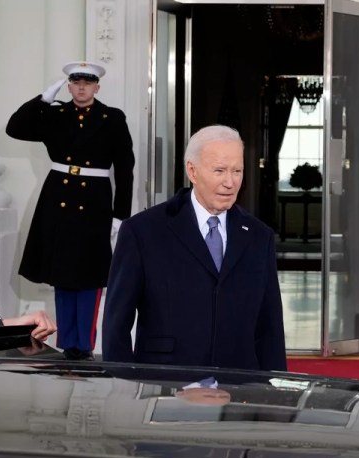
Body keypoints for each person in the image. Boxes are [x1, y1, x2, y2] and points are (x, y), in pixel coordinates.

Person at [102, 125, 286, 371]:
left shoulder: (259, 237)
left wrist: (273, 389)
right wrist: (124, 383)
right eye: (219, 170)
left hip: (239, 382)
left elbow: (270, 327)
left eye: (237, 171)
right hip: (166, 380)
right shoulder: (142, 231)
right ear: (192, 171)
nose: (230, 182)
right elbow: (116, 324)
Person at [5, 61, 135, 361]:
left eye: (87, 83)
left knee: (89, 275)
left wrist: (120, 214)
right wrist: (43, 99)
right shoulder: (55, 114)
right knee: (62, 273)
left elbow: (125, 169)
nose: (81, 87)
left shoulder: (112, 118)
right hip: (58, 198)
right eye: (76, 82)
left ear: (97, 87)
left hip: (94, 202)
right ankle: (67, 342)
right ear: (69, 86)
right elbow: (16, 128)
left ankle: (83, 345)